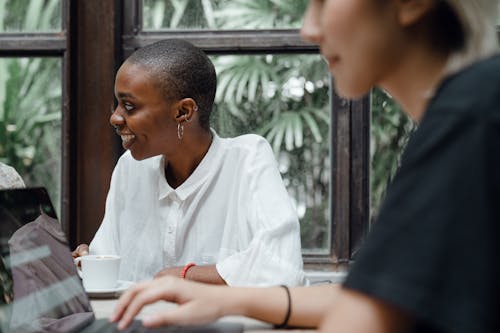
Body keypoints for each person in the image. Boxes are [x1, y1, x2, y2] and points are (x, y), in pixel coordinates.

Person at [110, 0, 500, 332]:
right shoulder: (463, 112)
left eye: (324, 2)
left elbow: (365, 317)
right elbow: (375, 297)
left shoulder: (472, 117)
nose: (309, 29)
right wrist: (225, 302)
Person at [72, 39, 305, 287]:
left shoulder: (247, 160)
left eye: (129, 106)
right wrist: (88, 261)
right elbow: (107, 265)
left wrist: (181, 276)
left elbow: (282, 268)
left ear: (183, 112)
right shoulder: (130, 168)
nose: (115, 118)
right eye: (116, 104)